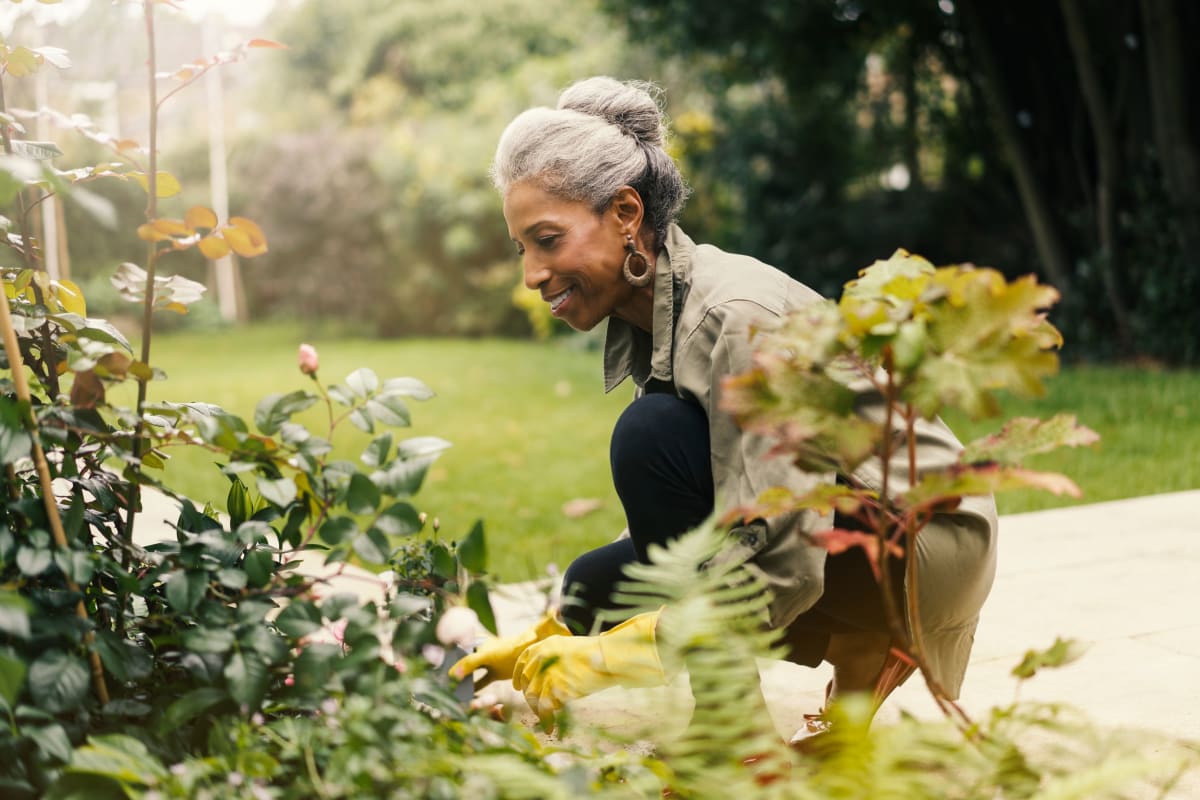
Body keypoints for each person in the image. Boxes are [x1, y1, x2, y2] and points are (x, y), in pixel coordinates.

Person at [451, 76, 998, 743]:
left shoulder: (734, 317)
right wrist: (556, 637)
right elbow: (702, 508)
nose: (532, 275)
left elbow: (786, 559)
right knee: (592, 584)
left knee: (648, 437)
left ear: (626, 215)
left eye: (546, 240)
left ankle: (741, 734)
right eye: (521, 249)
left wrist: (617, 654)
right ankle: (860, 650)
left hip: (925, 545)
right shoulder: (658, 313)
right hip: (851, 523)